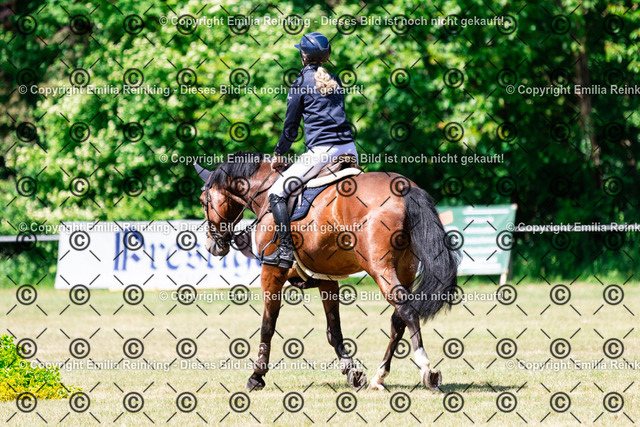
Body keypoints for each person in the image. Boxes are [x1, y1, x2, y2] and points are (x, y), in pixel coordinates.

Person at [262, 32, 358, 268]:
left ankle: (285, 251)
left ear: (303, 57)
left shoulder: (299, 84)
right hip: (350, 149)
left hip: (322, 153)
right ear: (326, 57)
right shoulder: (335, 80)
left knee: (276, 192)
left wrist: (278, 154)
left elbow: (290, 128)